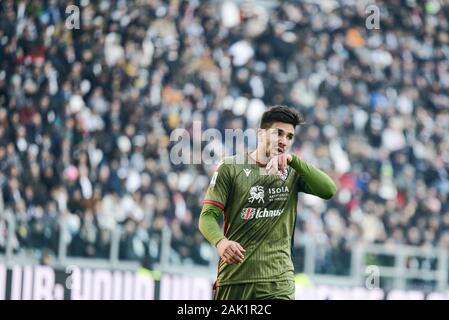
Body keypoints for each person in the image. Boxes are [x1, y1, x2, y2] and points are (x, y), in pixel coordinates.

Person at [198, 105, 337, 300]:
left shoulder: (293, 171)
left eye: (289, 137)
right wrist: (221, 242)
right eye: (278, 133)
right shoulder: (231, 167)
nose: (283, 141)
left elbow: (329, 190)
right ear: (261, 133)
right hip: (234, 279)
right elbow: (207, 217)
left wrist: (293, 160)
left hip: (278, 282)